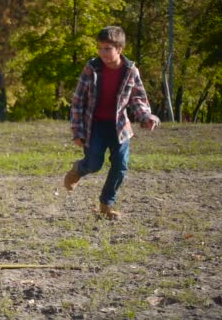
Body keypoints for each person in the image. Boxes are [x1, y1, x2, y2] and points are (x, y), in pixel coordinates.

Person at [64, 26, 160, 220]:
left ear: (119, 49)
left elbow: (137, 99)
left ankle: (106, 204)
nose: (102, 53)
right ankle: (78, 169)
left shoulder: (130, 71)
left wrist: (146, 117)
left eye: (107, 48)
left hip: (119, 127)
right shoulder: (92, 68)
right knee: (93, 164)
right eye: (99, 48)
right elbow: (78, 101)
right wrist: (78, 131)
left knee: (121, 165)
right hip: (95, 126)